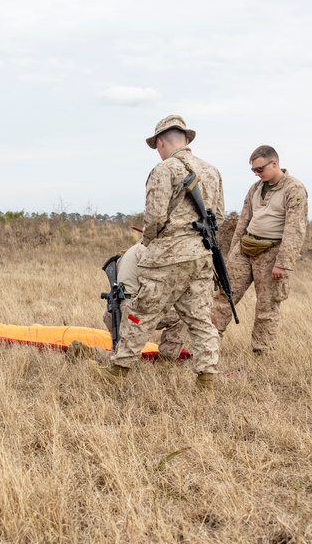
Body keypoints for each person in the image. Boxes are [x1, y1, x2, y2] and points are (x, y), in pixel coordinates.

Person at [91, 115, 224, 393]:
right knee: (200, 319)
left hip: (168, 258)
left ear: (161, 142)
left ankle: (118, 370)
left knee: (140, 313)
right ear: (187, 140)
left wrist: (150, 241)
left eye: (157, 145)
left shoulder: (164, 170)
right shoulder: (212, 172)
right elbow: (219, 217)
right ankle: (206, 379)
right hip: (201, 257)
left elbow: (153, 217)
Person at [210, 145, 308, 353]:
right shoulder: (255, 188)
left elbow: (295, 229)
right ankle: (208, 345)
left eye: (260, 169)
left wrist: (283, 263)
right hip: (245, 248)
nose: (256, 173)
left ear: (274, 163)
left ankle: (262, 352)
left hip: (272, 253)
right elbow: (243, 220)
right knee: (224, 296)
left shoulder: (294, 189)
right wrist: (232, 252)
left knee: (267, 305)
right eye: (253, 170)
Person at [67, 240, 188, 362]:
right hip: (133, 316)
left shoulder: (128, 253)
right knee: (181, 316)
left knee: (120, 353)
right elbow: (155, 290)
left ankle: (88, 352)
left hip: (114, 314)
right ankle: (166, 361)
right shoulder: (146, 252)